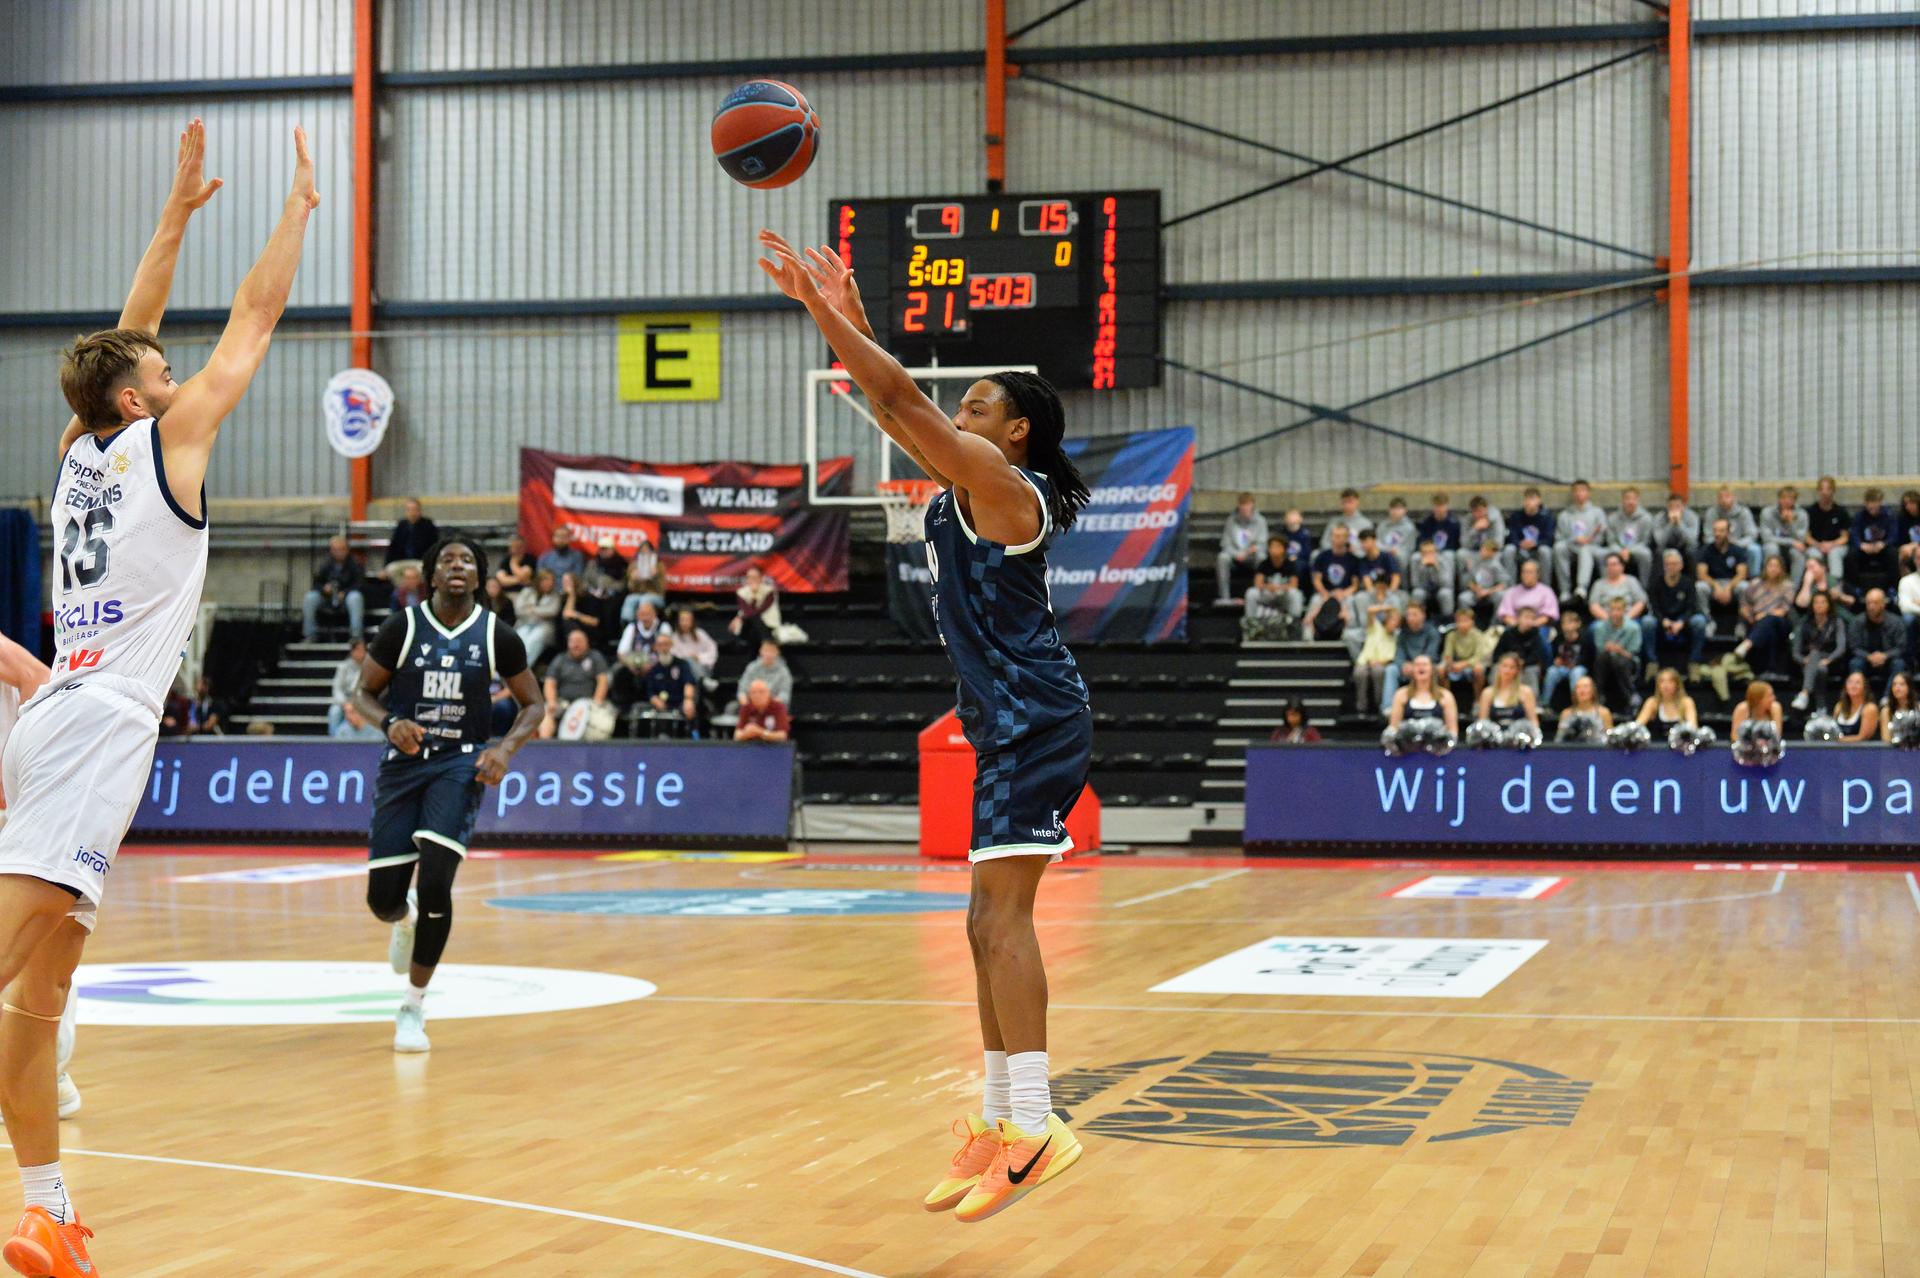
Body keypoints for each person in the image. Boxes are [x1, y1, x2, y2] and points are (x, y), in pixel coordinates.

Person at [0, 119, 314, 1265]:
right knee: (14, 966)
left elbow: (125, 336)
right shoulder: (164, 444)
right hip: (96, 726)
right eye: (165, 378)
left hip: (60, 719)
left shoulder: (80, 453)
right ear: (140, 404)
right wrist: (296, 214)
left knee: (41, 996)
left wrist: (174, 219)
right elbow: (256, 322)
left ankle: (49, 1213)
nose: (181, 380)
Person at [761, 230, 1090, 1219]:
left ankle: (1038, 1124)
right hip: (1003, 721)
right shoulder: (960, 487)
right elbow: (891, 403)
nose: (959, 414)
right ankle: (998, 1119)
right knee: (979, 923)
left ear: (1017, 432)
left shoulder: (1007, 491)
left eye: (977, 406)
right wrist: (851, 315)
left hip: (1036, 714)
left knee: (1006, 920)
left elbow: (899, 399)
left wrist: (820, 313)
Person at [352, 536, 543, 1053]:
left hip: (460, 763)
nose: (457, 566)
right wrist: (389, 723)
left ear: (479, 578)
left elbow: (533, 704)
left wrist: (504, 749)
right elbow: (363, 693)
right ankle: (404, 919)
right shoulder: (404, 627)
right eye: (447, 560)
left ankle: (412, 1007)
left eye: (467, 561)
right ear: (431, 575)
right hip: (404, 765)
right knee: (383, 900)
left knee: (437, 881)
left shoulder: (497, 634)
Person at [1642, 549, 1708, 678]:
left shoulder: (1688, 583)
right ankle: (1652, 662)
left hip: (1683, 620)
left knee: (1700, 621)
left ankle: (1694, 663)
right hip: (1662, 620)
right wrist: (1663, 620)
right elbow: (1654, 607)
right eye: (1668, 564)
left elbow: (1691, 607)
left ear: (1681, 565)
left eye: (1674, 564)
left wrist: (1681, 622)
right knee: (1647, 622)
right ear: (1664, 566)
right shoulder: (1656, 583)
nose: (1671, 567)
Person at [539, 627, 611, 739]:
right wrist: (551, 701)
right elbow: (550, 683)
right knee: (546, 712)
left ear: (587, 643)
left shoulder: (595, 657)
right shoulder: (560, 659)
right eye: (572, 641)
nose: (576, 645)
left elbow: (603, 681)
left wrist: (597, 702)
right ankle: (545, 744)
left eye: (579, 641)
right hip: (564, 702)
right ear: (568, 643)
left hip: (589, 703)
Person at [1731, 554, 1794, 677]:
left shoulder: (1787, 586)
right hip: (1758, 622)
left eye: (1776, 566)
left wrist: (1765, 615)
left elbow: (1784, 610)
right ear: (1765, 568)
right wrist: (1750, 617)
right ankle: (1770, 670)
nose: (1773, 569)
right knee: (1770, 632)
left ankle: (1747, 644)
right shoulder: (1755, 584)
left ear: (1782, 569)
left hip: (1780, 622)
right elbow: (1744, 605)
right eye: (1770, 566)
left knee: (1770, 620)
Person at [1791, 589, 1847, 712]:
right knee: (1819, 665)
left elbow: (1841, 648)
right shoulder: (1804, 623)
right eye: (1816, 602)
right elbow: (1795, 652)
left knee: (1818, 661)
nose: (1819, 605)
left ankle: (1804, 694)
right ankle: (1821, 708)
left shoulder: (1837, 622)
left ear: (1829, 605)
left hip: (1831, 660)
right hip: (1809, 661)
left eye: (1823, 602)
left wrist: (1828, 660)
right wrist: (1804, 660)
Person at [303, 534, 366, 641]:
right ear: (331, 550)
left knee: (355, 598)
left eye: (342, 549)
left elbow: (360, 584)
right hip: (327, 597)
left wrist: (345, 592)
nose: (339, 552)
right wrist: (324, 588)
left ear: (347, 549)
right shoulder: (325, 564)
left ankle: (356, 638)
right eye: (336, 549)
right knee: (310, 597)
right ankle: (310, 636)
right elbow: (316, 583)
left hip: (347, 597)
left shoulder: (355, 564)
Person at [1304, 524, 1362, 639]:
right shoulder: (1322, 556)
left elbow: (1355, 585)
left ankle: (1347, 635)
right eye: (1335, 536)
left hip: (1345, 594)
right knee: (1315, 600)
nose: (1336, 539)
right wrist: (1326, 593)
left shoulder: (1353, 559)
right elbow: (1317, 580)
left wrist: (1343, 594)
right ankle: (1308, 636)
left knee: (1350, 601)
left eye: (1340, 536)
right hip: (1324, 593)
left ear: (1347, 538)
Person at [1553, 479, 1608, 599]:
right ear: (1572, 494)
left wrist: (1588, 541)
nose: (1579, 494)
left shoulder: (1597, 512)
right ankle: (1564, 590)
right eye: (1576, 491)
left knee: (1585, 550)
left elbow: (1602, 536)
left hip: (1592, 547)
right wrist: (1575, 539)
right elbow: (1559, 538)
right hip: (1572, 546)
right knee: (1559, 548)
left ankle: (1581, 588)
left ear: (1588, 493)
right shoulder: (1564, 515)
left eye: (1582, 490)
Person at [639, 632, 700, 737]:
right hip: (662, 704)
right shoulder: (653, 669)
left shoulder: (682, 664)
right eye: (660, 645)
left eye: (666, 644)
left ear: (671, 645)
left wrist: (688, 700)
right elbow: (650, 692)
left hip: (680, 701)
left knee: (689, 709)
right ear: (655, 647)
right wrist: (656, 700)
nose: (663, 648)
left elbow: (689, 683)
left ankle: (695, 737)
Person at [1590, 597, 1643, 713]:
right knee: (1602, 657)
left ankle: (1631, 696)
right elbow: (1599, 650)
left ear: (1624, 611)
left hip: (1627, 661)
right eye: (1612, 609)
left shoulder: (1633, 628)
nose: (1615, 613)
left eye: (1618, 609)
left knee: (1619, 661)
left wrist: (1619, 651)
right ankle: (1599, 695)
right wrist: (1609, 649)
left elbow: (1633, 654)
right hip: (1606, 661)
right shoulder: (1600, 628)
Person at [1845, 486, 1900, 598]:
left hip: (1882, 549)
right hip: (1865, 549)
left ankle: (1892, 588)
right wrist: (1861, 545)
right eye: (1869, 503)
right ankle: (1856, 588)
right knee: (1851, 555)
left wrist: (1884, 544)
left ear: (1880, 502)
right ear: (1865, 503)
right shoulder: (1860, 516)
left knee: (1893, 554)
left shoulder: (1889, 515)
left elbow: (1894, 535)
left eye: (1875, 503)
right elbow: (1854, 534)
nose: (1872, 506)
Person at [1385, 653, 1458, 737]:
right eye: (1417, 665)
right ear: (1412, 670)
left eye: (1425, 664)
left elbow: (1453, 731)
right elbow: (1393, 728)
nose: (1421, 667)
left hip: (1436, 744)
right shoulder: (1401, 694)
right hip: (1408, 743)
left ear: (1432, 670)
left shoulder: (1446, 696)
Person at [1213, 492, 1267, 605]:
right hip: (1235, 557)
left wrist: (1248, 552)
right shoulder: (1231, 521)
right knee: (1222, 557)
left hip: (1252, 557)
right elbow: (1225, 544)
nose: (1245, 509)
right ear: (1239, 506)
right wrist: (1236, 554)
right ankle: (1225, 597)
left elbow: (1262, 544)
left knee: (1262, 557)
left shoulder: (1261, 521)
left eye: (1248, 506)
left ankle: (1260, 596)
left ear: (1252, 506)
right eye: (1243, 507)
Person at [1847, 588, 1906, 691]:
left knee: (1899, 663)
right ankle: (1860, 696)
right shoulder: (1857, 622)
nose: (1871, 607)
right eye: (1868, 603)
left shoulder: (1896, 622)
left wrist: (1885, 656)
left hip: (1888, 660)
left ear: (1883, 604)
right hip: (1866, 660)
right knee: (1855, 663)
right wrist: (1869, 657)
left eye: (1875, 603)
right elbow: (1854, 647)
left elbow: (1901, 647)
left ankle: (1887, 697)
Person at [1243, 536, 1304, 633]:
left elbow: (1294, 585)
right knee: (1251, 592)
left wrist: (1280, 588)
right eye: (1272, 547)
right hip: (1268, 594)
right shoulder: (1264, 564)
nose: (1274, 549)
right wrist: (1268, 587)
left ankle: (1295, 623)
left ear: (1284, 549)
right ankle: (1251, 623)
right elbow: (1258, 584)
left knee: (1296, 594)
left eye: (1277, 546)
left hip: (1284, 595)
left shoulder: (1290, 564)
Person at [1383, 601, 1440, 705]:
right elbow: (1398, 655)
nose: (1410, 618)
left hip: (1426, 666)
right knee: (1391, 669)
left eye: (1414, 614)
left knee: (1434, 669)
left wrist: (1416, 665)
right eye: (1408, 615)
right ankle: (1387, 707)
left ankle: (1432, 705)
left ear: (1423, 616)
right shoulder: (1403, 633)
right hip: (1407, 668)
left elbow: (1431, 655)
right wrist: (1403, 664)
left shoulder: (1432, 632)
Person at [329, 637, 385, 741]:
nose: (361, 653)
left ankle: (379, 738)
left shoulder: (372, 666)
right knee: (334, 712)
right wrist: (345, 703)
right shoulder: (343, 667)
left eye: (363, 650)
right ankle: (335, 740)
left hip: (366, 698)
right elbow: (337, 689)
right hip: (347, 699)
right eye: (358, 650)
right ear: (352, 652)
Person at [1350, 605, 1400, 719]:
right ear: (1387, 620)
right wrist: (1387, 608)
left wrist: (1379, 662)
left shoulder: (1396, 636)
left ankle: (1379, 705)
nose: (1395, 624)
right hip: (1364, 661)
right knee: (1359, 673)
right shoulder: (1375, 627)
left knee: (1378, 672)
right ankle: (1361, 707)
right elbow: (1370, 610)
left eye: (1397, 622)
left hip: (1381, 664)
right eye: (1393, 620)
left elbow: (1392, 657)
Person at [1701, 486, 1762, 577]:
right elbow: (1708, 536)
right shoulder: (1712, 513)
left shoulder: (1743, 512)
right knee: (1704, 550)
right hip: (1717, 545)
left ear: (1734, 497)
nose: (1724, 500)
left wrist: (1737, 544)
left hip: (1739, 544)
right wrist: (1720, 544)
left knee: (1754, 550)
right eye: (1721, 497)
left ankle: (1754, 578)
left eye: (1727, 496)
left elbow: (1752, 534)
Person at [1440, 605, 1496, 703]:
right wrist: (1450, 663)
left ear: (1472, 622)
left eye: (1465, 620)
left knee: (1479, 669)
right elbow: (1447, 653)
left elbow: (1478, 656)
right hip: (1455, 664)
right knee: (1440, 669)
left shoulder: (1478, 635)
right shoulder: (1451, 635)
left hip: (1471, 664)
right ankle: (1445, 699)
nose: (1462, 624)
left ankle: (1478, 700)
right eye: (1459, 621)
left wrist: (1464, 664)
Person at [1695, 518, 1749, 620]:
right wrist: (1716, 586)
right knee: (1700, 587)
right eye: (1715, 530)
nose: (1717, 534)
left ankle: (1742, 622)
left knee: (1744, 586)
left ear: (1728, 533)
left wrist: (1728, 588)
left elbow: (1742, 574)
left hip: (1732, 583)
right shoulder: (1705, 550)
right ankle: (1707, 620)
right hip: (1712, 583)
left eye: (1721, 531)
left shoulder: (1738, 550)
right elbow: (1701, 574)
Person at [1489, 605, 1549, 693]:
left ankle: (1532, 698)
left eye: (1532, 618)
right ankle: (1494, 695)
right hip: (1507, 663)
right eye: (1526, 617)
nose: (1529, 621)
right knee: (1496, 668)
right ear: (1518, 618)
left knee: (1532, 670)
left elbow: (1536, 656)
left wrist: (1522, 663)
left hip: (1526, 665)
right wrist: (1508, 662)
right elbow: (1497, 654)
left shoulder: (1536, 634)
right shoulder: (1508, 634)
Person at [1476, 651, 1541, 733]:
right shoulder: (1487, 693)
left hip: (1518, 737)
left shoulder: (1526, 692)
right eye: (1505, 666)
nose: (1507, 670)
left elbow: (1533, 721)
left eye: (1512, 667)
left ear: (1517, 670)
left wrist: (1535, 734)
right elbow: (1482, 722)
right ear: (1499, 668)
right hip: (1494, 737)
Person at [1543, 611, 1593, 711]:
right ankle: (1545, 703)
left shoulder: (1585, 638)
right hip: (1563, 668)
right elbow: (1554, 656)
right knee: (1552, 671)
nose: (1567, 626)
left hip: (1579, 667)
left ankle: (1577, 704)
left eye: (1570, 622)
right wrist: (1556, 661)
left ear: (1578, 624)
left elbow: (1589, 658)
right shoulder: (1558, 639)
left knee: (1576, 673)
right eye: (1564, 623)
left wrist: (1575, 664)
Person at [1760, 485, 1810, 585]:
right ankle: (1770, 583)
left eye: (1790, 499)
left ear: (1795, 501)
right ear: (1778, 499)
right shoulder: (1767, 512)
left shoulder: (1802, 514)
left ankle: (1793, 587)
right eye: (1783, 498)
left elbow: (1801, 539)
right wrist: (1791, 542)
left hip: (1792, 548)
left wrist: (1791, 523)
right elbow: (1766, 538)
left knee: (1798, 553)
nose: (1787, 501)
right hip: (1776, 545)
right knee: (1771, 548)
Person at [511, 568, 561, 666]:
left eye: (552, 580)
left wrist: (532, 609)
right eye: (546, 579)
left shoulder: (555, 596)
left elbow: (552, 611)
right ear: (539, 580)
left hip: (544, 627)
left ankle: (524, 668)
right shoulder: (527, 591)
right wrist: (540, 611)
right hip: (524, 624)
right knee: (519, 638)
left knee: (534, 639)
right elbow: (519, 610)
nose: (549, 583)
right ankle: (510, 668)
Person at [382, 497, 439, 582]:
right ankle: (403, 589)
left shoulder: (428, 525)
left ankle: (418, 590)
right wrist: (385, 567)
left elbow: (434, 548)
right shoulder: (401, 525)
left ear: (420, 511)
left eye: (415, 509)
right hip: (402, 561)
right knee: (391, 569)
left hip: (420, 561)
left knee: (424, 571)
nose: (412, 513)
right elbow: (393, 547)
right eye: (409, 510)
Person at [1503, 487, 1555, 578]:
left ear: (1539, 501)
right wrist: (1519, 543)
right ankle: (1510, 584)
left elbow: (1549, 538)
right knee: (1508, 549)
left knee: (1545, 551)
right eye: (1527, 498)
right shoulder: (1516, 516)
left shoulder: (1547, 516)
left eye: (1532, 498)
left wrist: (1535, 543)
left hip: (1537, 550)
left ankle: (1545, 585)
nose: (1529, 502)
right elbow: (1511, 535)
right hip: (1521, 550)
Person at [1806, 475, 1850, 582]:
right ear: (1818, 491)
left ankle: (1835, 584)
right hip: (1816, 545)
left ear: (1833, 491)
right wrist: (1818, 545)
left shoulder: (1841, 512)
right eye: (1822, 489)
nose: (1825, 492)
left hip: (1836, 545)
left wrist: (1832, 544)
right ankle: (1816, 585)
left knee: (1834, 554)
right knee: (1813, 554)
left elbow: (1845, 537)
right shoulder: (1811, 511)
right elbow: (1807, 537)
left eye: (1828, 489)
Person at [1460, 537, 1511, 627]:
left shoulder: (1496, 565)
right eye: (1482, 549)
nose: (1482, 552)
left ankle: (1495, 624)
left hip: (1490, 593)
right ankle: (1468, 624)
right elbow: (1469, 581)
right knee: (1463, 598)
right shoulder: (1474, 562)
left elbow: (1503, 585)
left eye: (1486, 550)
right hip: (1476, 592)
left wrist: (1487, 591)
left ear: (1493, 552)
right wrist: (1475, 589)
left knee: (1501, 595)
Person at [730, 564, 782, 649]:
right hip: (747, 623)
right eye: (749, 577)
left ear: (761, 578)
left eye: (755, 577)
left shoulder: (769, 591)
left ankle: (764, 643)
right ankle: (767, 640)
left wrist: (740, 618)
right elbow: (747, 610)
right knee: (752, 624)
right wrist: (753, 594)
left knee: (754, 631)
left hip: (767, 622)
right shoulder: (741, 592)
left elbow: (761, 610)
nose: (752, 580)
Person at [1587, 553, 1648, 625]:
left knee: (1648, 622)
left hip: (1630, 618)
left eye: (1614, 564)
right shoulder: (1598, 584)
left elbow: (1641, 602)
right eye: (1608, 565)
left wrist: (1626, 619)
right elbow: (1593, 605)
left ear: (1622, 566)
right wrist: (1608, 620)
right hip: (1606, 620)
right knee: (1596, 627)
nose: (1610, 567)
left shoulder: (1631, 581)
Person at [620, 532, 668, 624]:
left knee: (645, 599)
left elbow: (662, 589)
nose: (645, 553)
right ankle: (627, 626)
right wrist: (633, 579)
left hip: (656, 596)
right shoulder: (634, 566)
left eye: (647, 551)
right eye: (642, 551)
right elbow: (631, 589)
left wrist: (655, 577)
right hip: (638, 594)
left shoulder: (659, 566)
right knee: (629, 599)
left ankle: (644, 624)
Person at [1608, 487, 1655, 580]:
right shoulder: (1613, 518)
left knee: (1646, 554)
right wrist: (1620, 550)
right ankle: (1607, 585)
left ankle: (1644, 585)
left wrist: (1629, 551)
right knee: (1603, 555)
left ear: (1638, 501)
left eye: (1634, 499)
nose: (1630, 502)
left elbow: (1645, 542)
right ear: (1622, 500)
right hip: (1618, 549)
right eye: (1627, 498)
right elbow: (1611, 541)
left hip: (1637, 549)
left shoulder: (1646, 518)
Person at [1496, 558, 1560, 625]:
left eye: (1530, 572)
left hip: (1539, 626)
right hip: (1516, 626)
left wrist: (1532, 625)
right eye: (1524, 572)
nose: (1526, 575)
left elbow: (1548, 615)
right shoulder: (1511, 591)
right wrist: (1518, 626)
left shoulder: (1547, 591)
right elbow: (1505, 614)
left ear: (1538, 575)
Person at [1456, 496, 1507, 581]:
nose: (1478, 514)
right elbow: (1464, 544)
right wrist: (1474, 529)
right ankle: (1465, 586)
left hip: (1492, 551)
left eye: (1480, 511)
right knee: (1461, 554)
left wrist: (1487, 550)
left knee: (1498, 556)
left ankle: (1501, 583)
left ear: (1486, 509)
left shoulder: (1495, 519)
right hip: (1476, 552)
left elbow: (1499, 543)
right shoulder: (1467, 520)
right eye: (1475, 511)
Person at [735, 639, 794, 709]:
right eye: (766, 650)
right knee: (732, 707)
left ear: (777, 652)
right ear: (760, 651)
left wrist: (766, 706)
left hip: (773, 707)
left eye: (771, 651)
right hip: (751, 706)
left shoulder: (784, 671)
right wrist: (747, 705)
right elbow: (742, 690)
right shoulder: (752, 667)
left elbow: (784, 695)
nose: (768, 654)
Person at [1404, 540, 1454, 620]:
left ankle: (1448, 620)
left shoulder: (1443, 561)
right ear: (1421, 554)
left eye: (1431, 552)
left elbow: (1447, 583)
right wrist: (1422, 568)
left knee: (1445, 593)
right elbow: (1415, 584)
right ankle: (1416, 619)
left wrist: (1437, 568)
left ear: (1436, 552)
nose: (1428, 555)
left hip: (1440, 588)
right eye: (1425, 552)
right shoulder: (1417, 561)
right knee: (1417, 593)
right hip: (1424, 589)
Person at [733, 678, 791, 744]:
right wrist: (745, 734)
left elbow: (782, 735)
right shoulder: (746, 708)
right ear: (749, 695)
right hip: (750, 747)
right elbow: (737, 735)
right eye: (753, 692)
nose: (757, 695)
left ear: (769, 693)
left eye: (761, 692)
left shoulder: (779, 707)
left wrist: (760, 732)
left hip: (774, 747)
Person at [1830, 670, 1880, 743]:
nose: (1853, 686)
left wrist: (1838, 740)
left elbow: (1862, 737)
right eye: (1850, 682)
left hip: (1862, 749)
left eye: (1857, 682)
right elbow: (1832, 731)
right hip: (1838, 748)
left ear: (1865, 687)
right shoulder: (1839, 706)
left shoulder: (1869, 708)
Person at [1652, 490, 1701, 562]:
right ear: (1667, 507)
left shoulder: (1692, 517)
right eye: (1671, 506)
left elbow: (1692, 540)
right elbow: (1660, 542)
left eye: (1677, 506)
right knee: (1658, 552)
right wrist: (1670, 524)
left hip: (1686, 547)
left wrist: (1679, 523)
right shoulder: (1659, 518)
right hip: (1667, 547)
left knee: (1693, 550)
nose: (1674, 509)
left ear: (1683, 506)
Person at [669, 608, 718, 679]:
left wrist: (699, 657)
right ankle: (702, 681)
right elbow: (673, 655)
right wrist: (687, 659)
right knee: (687, 662)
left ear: (692, 621)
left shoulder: (700, 634)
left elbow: (712, 651)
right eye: (682, 620)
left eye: (687, 620)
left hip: (702, 668)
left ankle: (702, 679)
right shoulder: (674, 637)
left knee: (691, 663)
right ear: (678, 622)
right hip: (682, 670)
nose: (685, 623)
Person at [1352, 528, 1399, 592]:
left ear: (1374, 540)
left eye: (1366, 541)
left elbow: (1395, 577)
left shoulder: (1387, 557)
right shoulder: (1363, 562)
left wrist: (1390, 592)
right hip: (1373, 593)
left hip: (1389, 590)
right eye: (1361, 542)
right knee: (1360, 596)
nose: (1363, 545)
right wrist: (1374, 594)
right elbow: (1367, 582)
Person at [1416, 492, 1460, 560]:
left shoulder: (1454, 523)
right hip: (1429, 552)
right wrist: (1430, 552)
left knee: (1449, 555)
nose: (1440, 509)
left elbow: (1454, 545)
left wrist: (1437, 553)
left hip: (1446, 553)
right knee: (1415, 557)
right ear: (1433, 506)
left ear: (1447, 506)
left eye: (1442, 506)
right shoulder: (1426, 522)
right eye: (1437, 506)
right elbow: (1422, 541)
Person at [1374, 496, 1417, 566]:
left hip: (1400, 559)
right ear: (1389, 509)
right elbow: (1377, 542)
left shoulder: (1410, 527)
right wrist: (1387, 550)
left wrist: (1397, 552)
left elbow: (1409, 548)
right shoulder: (1382, 525)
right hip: (1382, 556)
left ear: (1405, 510)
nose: (1395, 511)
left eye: (1399, 508)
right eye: (1393, 508)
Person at [1880, 671, 1916, 742]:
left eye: (1902, 684)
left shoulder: (1918, 708)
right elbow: (1886, 738)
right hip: (1894, 748)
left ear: (1909, 687)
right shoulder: (1886, 711)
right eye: (1894, 684)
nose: (1897, 688)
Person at [1899, 490, 1920, 575]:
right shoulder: (1902, 518)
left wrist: (1916, 545)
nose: (1908, 507)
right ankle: (1905, 580)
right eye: (1906, 504)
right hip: (1909, 548)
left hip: (1916, 546)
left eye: (1911, 503)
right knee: (1901, 552)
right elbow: (1900, 539)